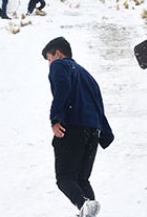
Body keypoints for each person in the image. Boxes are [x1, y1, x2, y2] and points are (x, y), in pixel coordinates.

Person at [42, 37, 114, 217]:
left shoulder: (60, 66)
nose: (49, 64)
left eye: (49, 59)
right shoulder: (87, 75)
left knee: (64, 178)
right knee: (81, 179)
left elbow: (62, 88)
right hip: (93, 131)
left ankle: (83, 204)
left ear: (58, 54)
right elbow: (98, 103)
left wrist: (55, 119)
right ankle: (88, 212)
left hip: (73, 127)